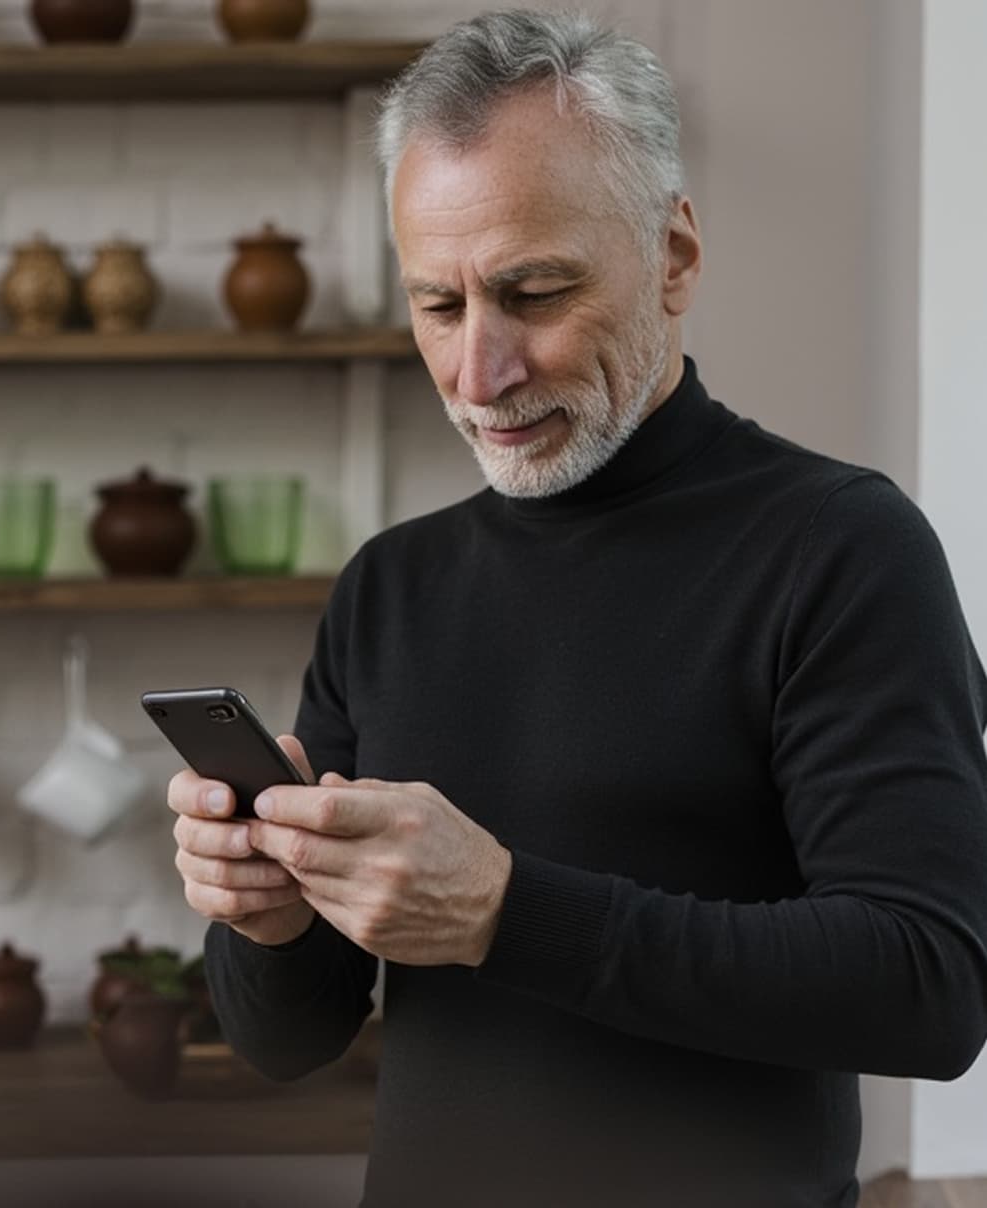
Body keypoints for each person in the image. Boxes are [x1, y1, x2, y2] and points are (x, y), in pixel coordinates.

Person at [168, 10, 987, 1206]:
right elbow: (286, 1041)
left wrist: (505, 907)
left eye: (534, 291)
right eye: (438, 307)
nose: (477, 373)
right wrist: (269, 915)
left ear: (674, 255)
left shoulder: (841, 549)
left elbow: (928, 985)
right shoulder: (389, 587)